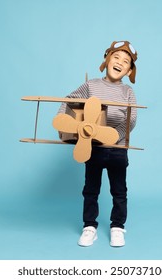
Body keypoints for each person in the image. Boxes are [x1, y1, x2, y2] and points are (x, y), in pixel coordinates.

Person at [58, 41, 138, 247]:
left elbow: (131, 119)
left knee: (119, 191)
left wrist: (113, 136)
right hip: (92, 147)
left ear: (129, 70)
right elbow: (68, 100)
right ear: (107, 59)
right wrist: (65, 127)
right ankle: (89, 226)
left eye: (126, 61)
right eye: (116, 57)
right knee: (91, 189)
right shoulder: (91, 85)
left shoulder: (127, 92)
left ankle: (117, 227)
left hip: (118, 149)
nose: (120, 63)